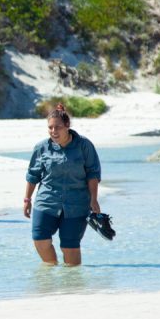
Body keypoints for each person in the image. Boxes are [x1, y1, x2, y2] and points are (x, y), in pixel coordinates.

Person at [23, 104, 101, 266]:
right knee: (40, 239)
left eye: (57, 127)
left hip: (77, 204)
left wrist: (94, 200)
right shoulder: (42, 148)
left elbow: (92, 174)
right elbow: (33, 175)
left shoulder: (84, 146)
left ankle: (71, 284)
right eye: (50, 128)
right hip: (46, 201)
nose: (53, 131)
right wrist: (27, 199)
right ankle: (51, 272)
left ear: (67, 126)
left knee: (70, 246)